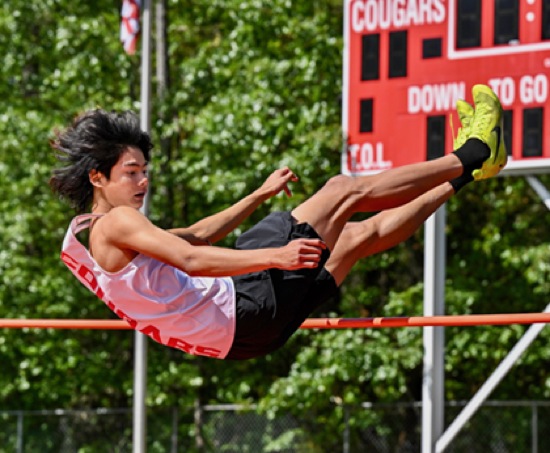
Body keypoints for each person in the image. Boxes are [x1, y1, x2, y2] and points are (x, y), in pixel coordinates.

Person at [50, 84, 507, 360]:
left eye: (145, 171)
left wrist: (257, 196)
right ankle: (474, 151)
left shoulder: (92, 237)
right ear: (97, 178)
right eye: (131, 173)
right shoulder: (117, 222)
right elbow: (190, 258)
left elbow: (195, 235)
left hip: (247, 337)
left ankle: (469, 174)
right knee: (341, 191)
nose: (143, 181)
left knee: (356, 236)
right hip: (241, 303)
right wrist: (276, 256)